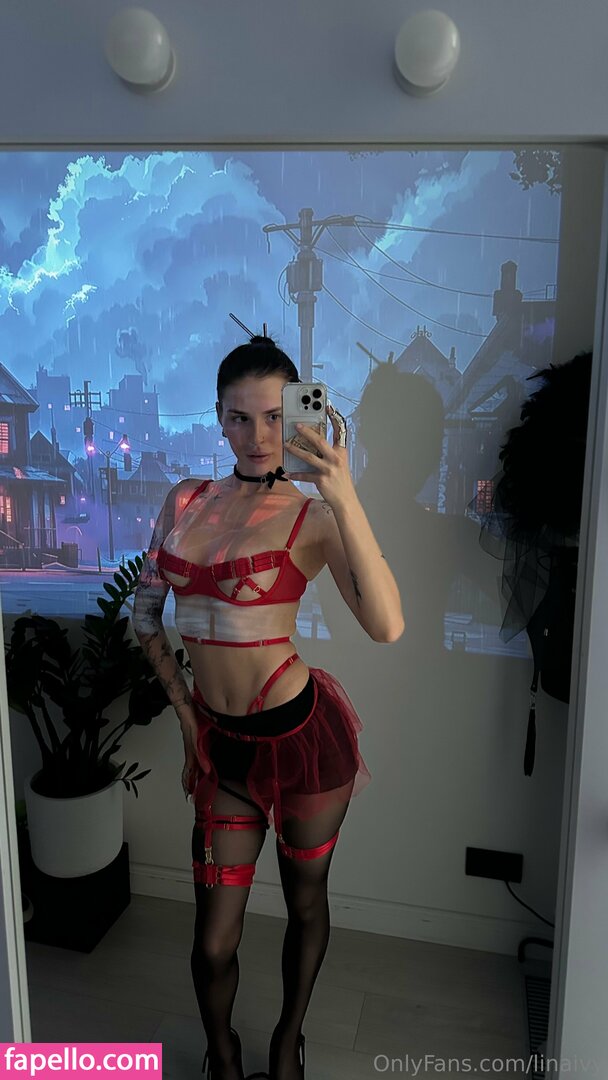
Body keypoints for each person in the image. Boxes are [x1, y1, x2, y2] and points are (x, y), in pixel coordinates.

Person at [132, 333, 404, 1080]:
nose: (258, 436)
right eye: (240, 417)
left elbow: (387, 626)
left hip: (301, 738)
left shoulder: (313, 517)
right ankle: (223, 1058)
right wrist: (188, 720)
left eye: (276, 417)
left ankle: (288, 1043)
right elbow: (145, 615)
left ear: (300, 417)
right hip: (220, 745)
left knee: (305, 902)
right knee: (213, 939)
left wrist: (342, 492)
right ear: (219, 418)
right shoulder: (185, 500)